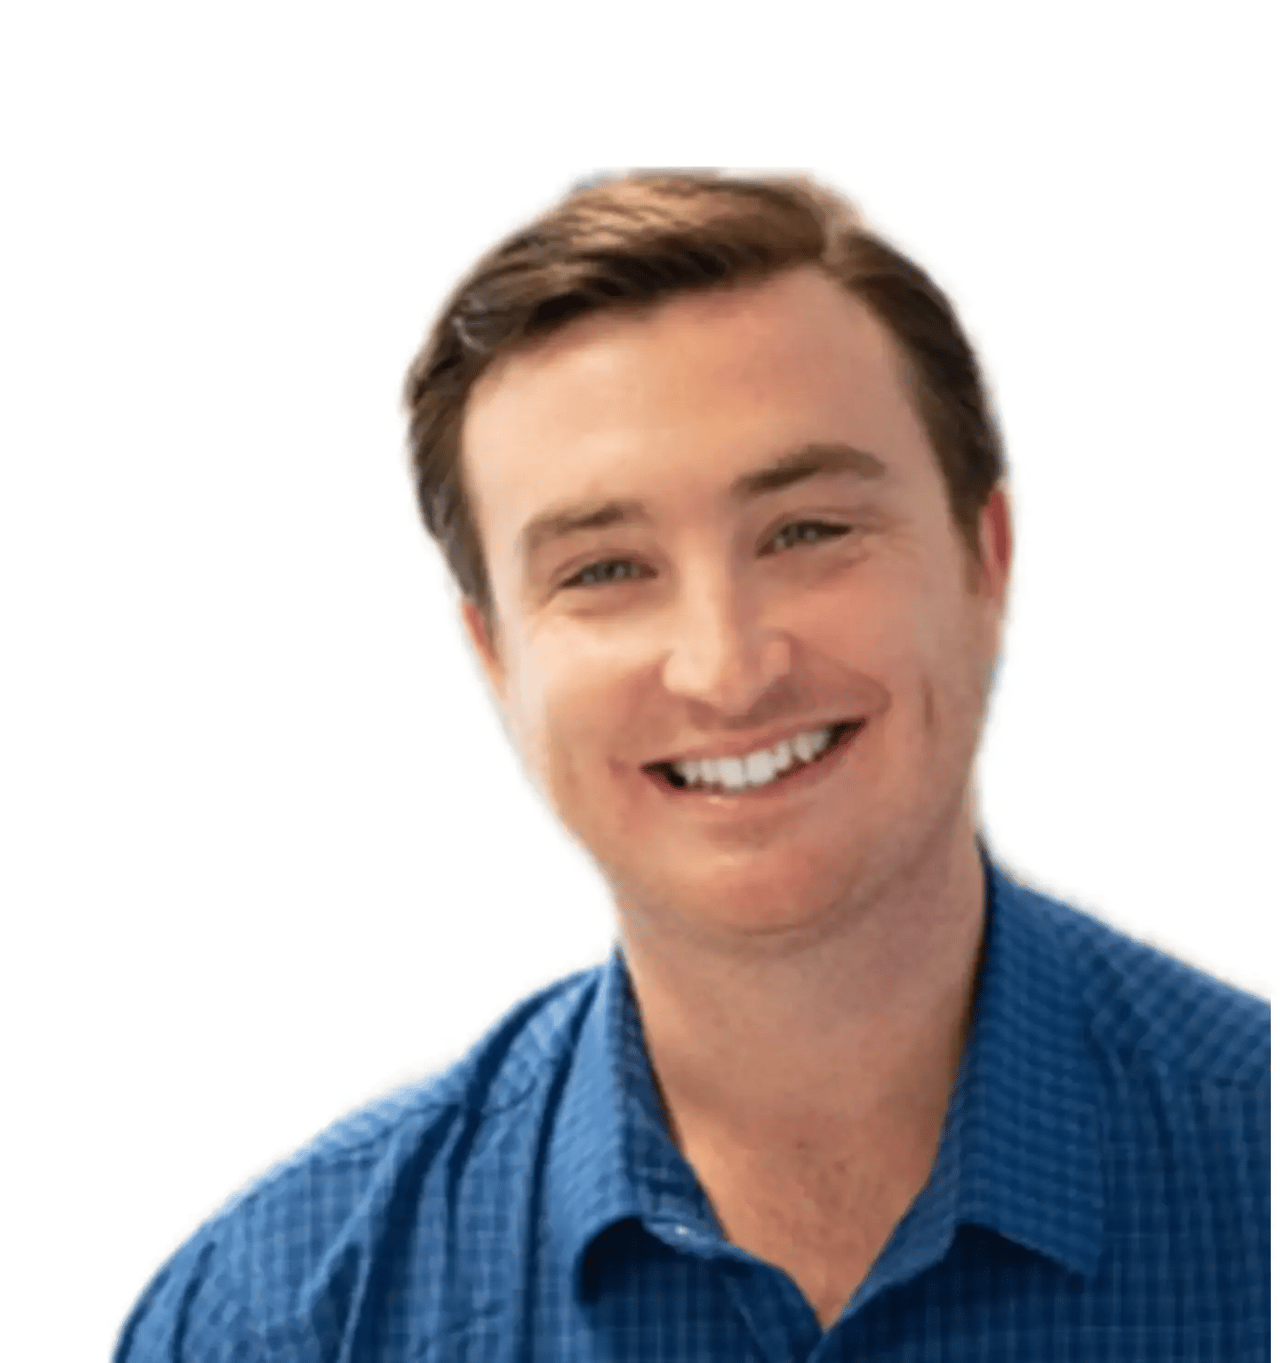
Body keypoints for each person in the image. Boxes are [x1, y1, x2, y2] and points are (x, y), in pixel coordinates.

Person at [114, 170, 1270, 1361]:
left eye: (807, 531)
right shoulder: (280, 1321)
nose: (725, 669)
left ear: (984, 558)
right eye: (605, 570)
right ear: (495, 655)